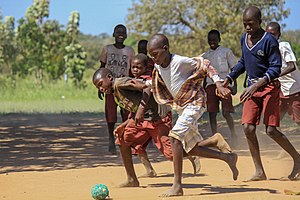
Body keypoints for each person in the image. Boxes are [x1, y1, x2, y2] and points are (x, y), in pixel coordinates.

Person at [92, 56, 234, 189]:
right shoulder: (114, 93)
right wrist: (125, 124)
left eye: (100, 84)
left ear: (109, 77)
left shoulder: (120, 83)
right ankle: (131, 179)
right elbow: (134, 108)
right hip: (142, 121)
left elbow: (146, 87)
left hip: (156, 119)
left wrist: (141, 108)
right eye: (97, 87)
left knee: (172, 153)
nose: (100, 88)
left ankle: (214, 144)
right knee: (122, 139)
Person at [147, 33, 239, 197]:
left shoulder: (179, 61)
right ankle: (227, 158)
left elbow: (206, 64)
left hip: (195, 102)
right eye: (151, 55)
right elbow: (156, 83)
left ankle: (177, 186)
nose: (153, 58)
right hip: (182, 107)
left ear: (165, 49)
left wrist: (218, 84)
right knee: (192, 148)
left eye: (155, 54)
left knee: (174, 137)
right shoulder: (158, 67)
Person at [223, 6, 300, 182]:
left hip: (269, 88)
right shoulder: (244, 38)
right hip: (252, 88)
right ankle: (259, 171)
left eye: (250, 24)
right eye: (244, 24)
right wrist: (230, 77)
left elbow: (275, 68)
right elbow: (243, 61)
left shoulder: (270, 41)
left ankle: (297, 158)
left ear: (260, 22)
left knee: (271, 130)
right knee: (247, 128)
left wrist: (257, 84)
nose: (247, 28)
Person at [98, 24, 135, 154]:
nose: (120, 34)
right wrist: (100, 87)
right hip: (110, 87)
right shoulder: (107, 49)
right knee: (111, 114)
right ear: (113, 34)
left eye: (123, 32)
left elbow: (131, 70)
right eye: (118, 32)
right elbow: (102, 68)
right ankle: (110, 139)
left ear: (126, 35)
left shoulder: (130, 51)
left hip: (124, 87)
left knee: (126, 113)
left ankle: (126, 139)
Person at [202, 29, 238, 145]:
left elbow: (234, 69)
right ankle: (214, 137)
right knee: (212, 113)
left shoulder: (226, 52)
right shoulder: (205, 56)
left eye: (214, 39)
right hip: (210, 85)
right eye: (210, 40)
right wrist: (203, 88)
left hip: (224, 83)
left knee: (226, 112)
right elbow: (204, 73)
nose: (212, 42)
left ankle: (233, 134)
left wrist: (234, 85)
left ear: (219, 40)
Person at [266, 22, 300, 125]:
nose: (270, 37)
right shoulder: (267, 49)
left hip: (293, 89)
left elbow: (291, 66)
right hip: (280, 91)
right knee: (274, 119)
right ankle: (274, 139)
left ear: (278, 34)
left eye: (273, 34)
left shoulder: (283, 46)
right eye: (267, 34)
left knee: (298, 120)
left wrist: (275, 74)